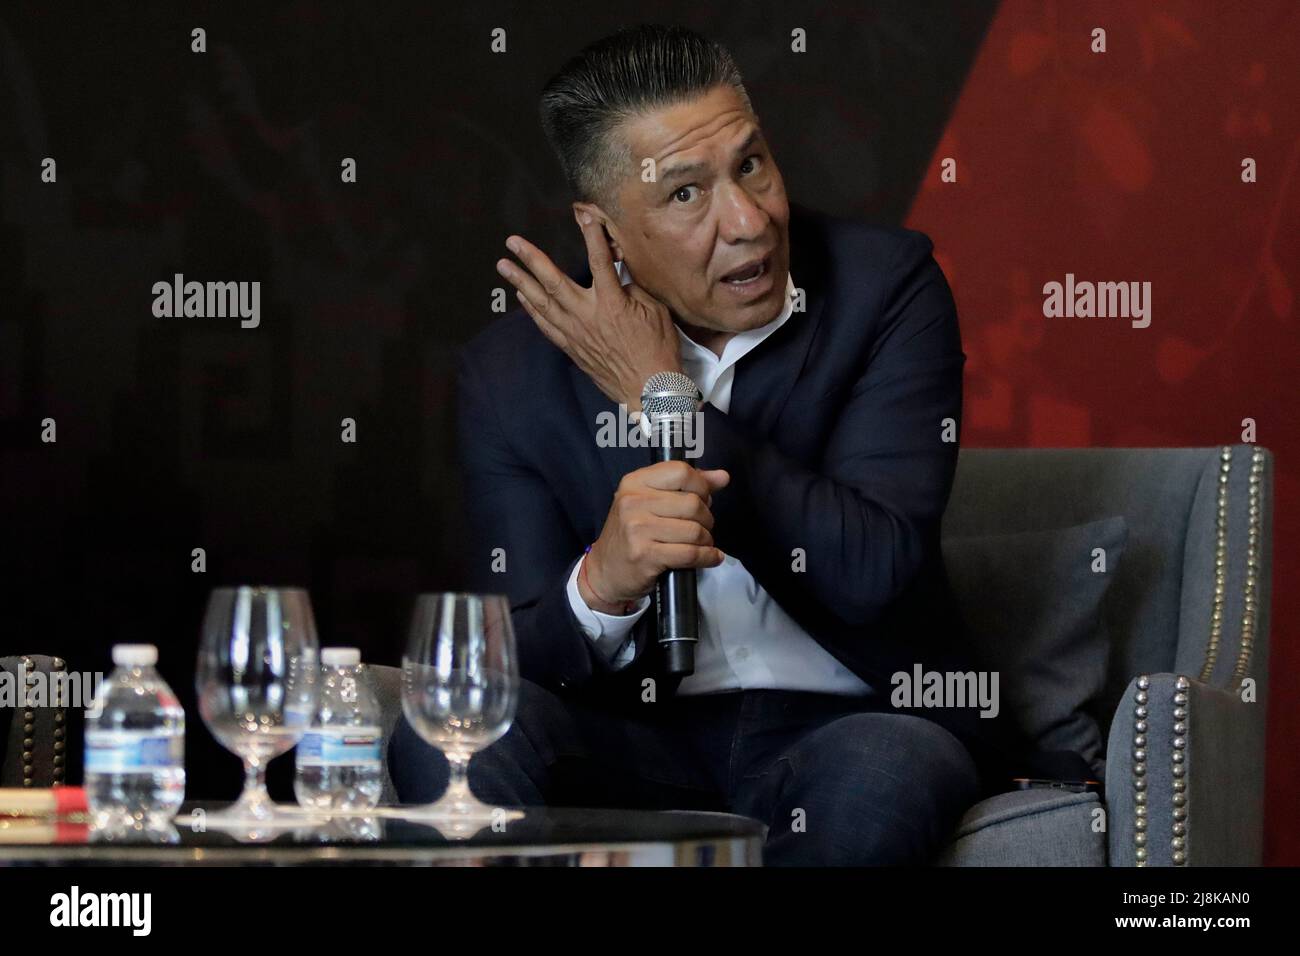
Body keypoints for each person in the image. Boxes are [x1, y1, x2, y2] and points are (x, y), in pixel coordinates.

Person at [391, 23, 1039, 865]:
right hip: (632, 736)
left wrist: (662, 397)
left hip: (851, 723)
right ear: (605, 231)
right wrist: (601, 587)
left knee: (883, 767)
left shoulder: (886, 288)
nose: (749, 222)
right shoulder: (510, 373)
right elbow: (504, 651)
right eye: (686, 194)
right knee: (452, 739)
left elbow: (875, 570)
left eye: (752, 164)